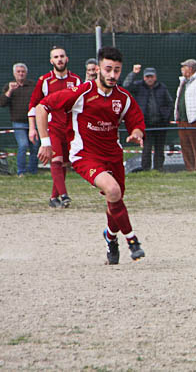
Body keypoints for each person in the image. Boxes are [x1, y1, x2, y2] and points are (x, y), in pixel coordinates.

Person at [35, 46, 146, 265]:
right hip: (85, 156)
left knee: (115, 199)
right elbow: (42, 107)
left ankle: (110, 237)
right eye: (108, 69)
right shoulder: (82, 92)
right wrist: (45, 142)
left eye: (116, 70)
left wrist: (137, 134)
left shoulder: (123, 98)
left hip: (113, 155)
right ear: (98, 69)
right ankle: (132, 240)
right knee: (113, 190)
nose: (112, 75)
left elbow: (137, 123)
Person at [27, 46, 82, 208]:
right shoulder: (44, 80)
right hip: (52, 127)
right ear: (51, 61)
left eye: (62, 56)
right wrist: (32, 128)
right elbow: (34, 105)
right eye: (56, 57)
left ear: (67, 59)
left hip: (70, 128)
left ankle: (53, 198)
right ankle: (64, 195)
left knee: (64, 163)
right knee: (56, 160)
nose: (59, 59)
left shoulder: (76, 80)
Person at [123, 65, 173, 171]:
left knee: (159, 148)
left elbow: (169, 103)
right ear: (144, 77)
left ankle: (158, 169)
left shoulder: (162, 87)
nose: (149, 79)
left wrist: (165, 116)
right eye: (147, 77)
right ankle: (146, 169)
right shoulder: (138, 86)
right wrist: (133, 73)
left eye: (151, 77)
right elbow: (126, 86)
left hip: (160, 124)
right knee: (146, 148)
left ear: (155, 77)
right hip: (145, 124)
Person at [0, 63, 40, 176]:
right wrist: (10, 91)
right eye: (18, 72)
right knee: (23, 145)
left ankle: (33, 172)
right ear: (14, 73)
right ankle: (21, 172)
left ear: (26, 73)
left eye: (23, 71)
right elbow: (2, 103)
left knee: (35, 146)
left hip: (33, 122)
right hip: (18, 123)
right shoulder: (9, 86)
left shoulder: (33, 85)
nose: (21, 74)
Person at [174, 58, 196, 171]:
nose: (182, 69)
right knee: (185, 146)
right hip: (182, 120)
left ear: (190, 69)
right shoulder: (182, 82)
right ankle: (190, 170)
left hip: (194, 120)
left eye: (184, 67)